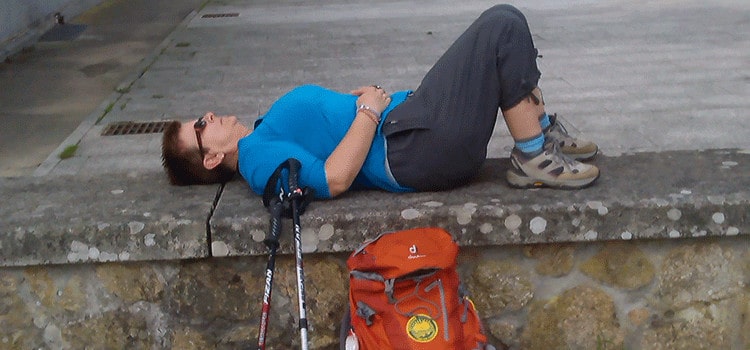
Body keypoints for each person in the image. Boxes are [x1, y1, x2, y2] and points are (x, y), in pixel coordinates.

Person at [161, 4, 600, 199]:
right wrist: (369, 109)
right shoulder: (256, 158)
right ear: (212, 158)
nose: (209, 115)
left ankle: (539, 133)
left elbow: (329, 136)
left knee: (501, 28)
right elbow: (332, 179)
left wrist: (363, 106)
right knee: (501, 25)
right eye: (200, 125)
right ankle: (531, 156)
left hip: (414, 129)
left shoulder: (261, 133)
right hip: (415, 148)